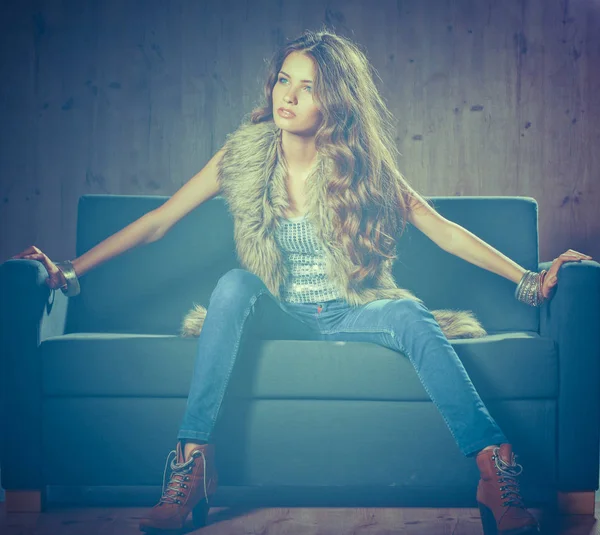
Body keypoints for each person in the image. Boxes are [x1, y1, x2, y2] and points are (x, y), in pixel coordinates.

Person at [12, 29, 592, 535]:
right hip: (277, 309)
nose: (286, 95)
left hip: (352, 307)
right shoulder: (243, 156)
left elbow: (441, 229)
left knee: (413, 315)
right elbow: (158, 222)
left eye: (307, 86)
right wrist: (67, 270)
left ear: (333, 100)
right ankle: (191, 466)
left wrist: (530, 278)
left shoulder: (362, 164)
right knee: (234, 285)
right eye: (283, 80)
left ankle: (496, 471)